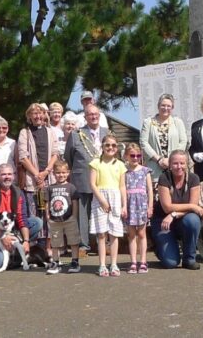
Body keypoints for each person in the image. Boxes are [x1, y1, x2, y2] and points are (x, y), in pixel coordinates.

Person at [63, 104, 107, 250]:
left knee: (103, 209)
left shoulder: (108, 133)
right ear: (85, 117)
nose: (93, 117)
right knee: (83, 212)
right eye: (90, 114)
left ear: (99, 115)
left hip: (104, 179)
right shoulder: (76, 134)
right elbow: (68, 156)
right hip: (82, 177)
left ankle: (103, 242)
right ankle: (83, 244)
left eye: (95, 114)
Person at [0, 163, 37, 271]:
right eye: (3, 174)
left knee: (36, 222)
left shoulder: (18, 192)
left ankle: (18, 250)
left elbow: (22, 217)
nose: (7, 177)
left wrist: (26, 241)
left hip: (12, 230)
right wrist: (3, 238)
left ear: (14, 176)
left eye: (10, 174)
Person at [151, 150, 203, 269]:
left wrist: (174, 214)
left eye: (182, 163)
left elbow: (193, 206)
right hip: (163, 220)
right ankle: (159, 247)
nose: (179, 166)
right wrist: (191, 206)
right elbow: (167, 207)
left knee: (193, 220)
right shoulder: (164, 178)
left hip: (180, 218)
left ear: (187, 164)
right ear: (169, 164)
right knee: (171, 263)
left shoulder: (194, 178)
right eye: (175, 163)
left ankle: (189, 258)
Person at [17, 103, 58, 245]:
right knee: (33, 215)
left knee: (48, 214)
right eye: (34, 113)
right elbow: (23, 156)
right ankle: (33, 247)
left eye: (40, 113)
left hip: (49, 179)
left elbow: (55, 153)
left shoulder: (50, 132)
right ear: (29, 116)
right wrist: (37, 175)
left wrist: (46, 172)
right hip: (31, 181)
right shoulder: (25, 132)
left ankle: (48, 248)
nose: (37, 116)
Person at [89, 134, 127, 277]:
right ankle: (102, 264)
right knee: (101, 234)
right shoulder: (95, 163)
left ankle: (114, 264)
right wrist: (102, 201)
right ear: (102, 147)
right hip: (100, 199)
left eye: (113, 145)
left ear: (117, 148)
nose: (110, 148)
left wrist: (124, 205)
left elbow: (122, 186)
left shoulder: (121, 165)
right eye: (107, 145)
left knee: (114, 233)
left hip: (115, 198)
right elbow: (93, 184)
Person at [140, 93, 188, 184]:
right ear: (158, 106)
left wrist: (171, 160)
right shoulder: (148, 122)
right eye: (163, 105)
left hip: (174, 168)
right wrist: (159, 160)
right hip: (154, 168)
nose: (165, 108)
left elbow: (183, 141)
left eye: (168, 106)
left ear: (172, 108)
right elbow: (143, 142)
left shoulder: (178, 122)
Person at [44, 160, 81, 274]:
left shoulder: (71, 187)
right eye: (58, 172)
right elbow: (47, 202)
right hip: (55, 220)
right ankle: (55, 262)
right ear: (53, 174)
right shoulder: (50, 188)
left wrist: (74, 216)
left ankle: (75, 261)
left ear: (68, 173)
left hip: (69, 219)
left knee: (73, 240)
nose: (61, 175)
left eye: (63, 172)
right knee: (55, 242)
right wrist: (47, 215)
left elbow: (75, 202)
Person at [123, 143, 152, 274]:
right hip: (129, 204)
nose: (135, 158)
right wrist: (123, 206)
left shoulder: (145, 170)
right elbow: (122, 188)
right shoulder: (124, 171)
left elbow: (150, 190)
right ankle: (133, 261)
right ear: (126, 156)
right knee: (131, 234)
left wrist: (150, 206)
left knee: (141, 233)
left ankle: (143, 261)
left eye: (138, 155)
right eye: (132, 155)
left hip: (142, 204)